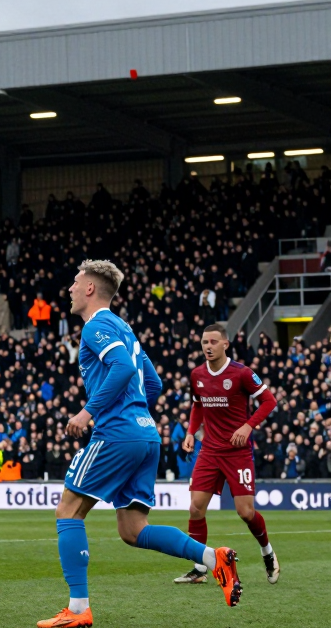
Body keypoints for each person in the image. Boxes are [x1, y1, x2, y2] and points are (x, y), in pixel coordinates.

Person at [37, 260, 241, 628]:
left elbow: (124, 369)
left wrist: (89, 412)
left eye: (75, 282)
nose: (69, 289)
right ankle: (214, 558)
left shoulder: (96, 325)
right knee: (133, 529)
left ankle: (79, 610)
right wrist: (135, 413)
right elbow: (154, 385)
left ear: (89, 289)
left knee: (67, 512)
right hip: (146, 435)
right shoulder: (125, 328)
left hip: (118, 434)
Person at [174, 324, 280, 585]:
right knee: (196, 507)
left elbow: (269, 401)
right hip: (209, 450)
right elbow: (198, 405)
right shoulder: (197, 374)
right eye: (203, 342)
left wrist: (248, 425)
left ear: (225, 344)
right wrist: (191, 431)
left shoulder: (242, 373)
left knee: (245, 512)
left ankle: (267, 552)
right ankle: (199, 568)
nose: (207, 346)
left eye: (213, 341)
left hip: (237, 453)